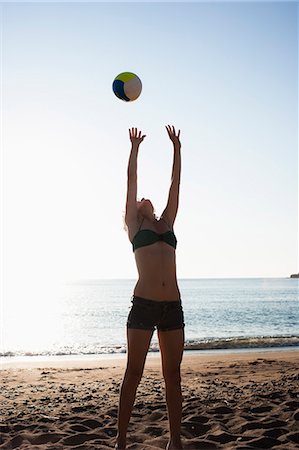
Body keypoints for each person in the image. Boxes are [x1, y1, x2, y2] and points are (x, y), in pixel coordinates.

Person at [115, 125, 185, 450]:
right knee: (134, 372)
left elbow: (175, 186)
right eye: (140, 199)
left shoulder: (167, 222)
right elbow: (131, 181)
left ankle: (175, 441)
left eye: (146, 198)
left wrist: (177, 149)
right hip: (143, 304)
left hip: (173, 306)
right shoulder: (135, 224)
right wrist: (134, 148)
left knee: (173, 375)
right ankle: (121, 440)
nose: (144, 197)